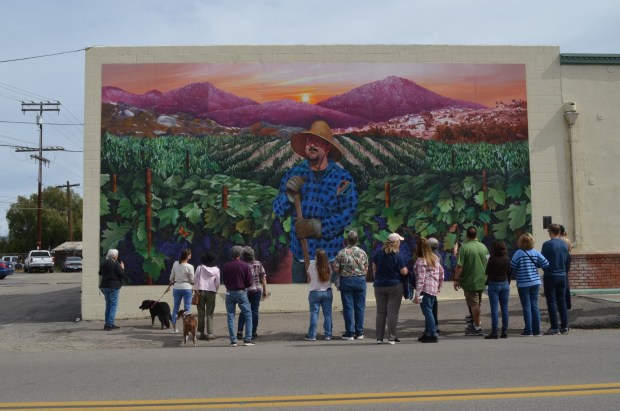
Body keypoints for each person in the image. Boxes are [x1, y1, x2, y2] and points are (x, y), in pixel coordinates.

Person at [273, 120, 358, 283]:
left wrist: (318, 227)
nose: (312, 144)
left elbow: (348, 213)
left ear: (327, 147)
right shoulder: (293, 174)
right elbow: (278, 209)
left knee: (328, 301)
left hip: (329, 257)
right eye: (309, 140)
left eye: (318, 141)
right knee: (302, 304)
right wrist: (289, 197)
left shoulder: (342, 179)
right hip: (300, 258)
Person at [372, 232, 408, 344]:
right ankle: (392, 337)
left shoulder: (378, 254)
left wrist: (378, 279)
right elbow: (404, 271)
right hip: (394, 285)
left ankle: (379, 337)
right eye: (399, 242)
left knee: (380, 312)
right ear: (396, 243)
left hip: (379, 285)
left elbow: (374, 269)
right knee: (392, 312)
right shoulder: (398, 256)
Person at [511, 233, 549, 337]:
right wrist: (537, 264)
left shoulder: (518, 253)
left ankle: (528, 330)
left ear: (521, 242)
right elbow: (546, 263)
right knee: (534, 306)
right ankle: (537, 330)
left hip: (523, 283)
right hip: (535, 282)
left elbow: (512, 265)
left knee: (526, 306)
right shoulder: (535, 252)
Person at [332, 230, 369, 340]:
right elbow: (366, 268)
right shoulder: (363, 252)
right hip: (360, 280)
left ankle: (350, 332)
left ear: (347, 240)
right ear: (357, 240)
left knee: (348, 307)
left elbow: (336, 268)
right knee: (360, 307)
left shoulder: (341, 252)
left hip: (346, 281)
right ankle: (360, 332)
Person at [453, 226, 488, 336]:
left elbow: (459, 266)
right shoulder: (483, 247)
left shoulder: (465, 248)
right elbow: (488, 262)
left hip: (469, 280)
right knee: (478, 303)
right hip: (482, 279)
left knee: (474, 304)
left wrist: (456, 279)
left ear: (467, 235)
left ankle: (477, 327)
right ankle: (476, 323)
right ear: (476, 234)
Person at [221, 245, 254, 347]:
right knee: (248, 314)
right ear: (240, 254)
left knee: (230, 316)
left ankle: (233, 341)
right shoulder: (245, 266)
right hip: (241, 292)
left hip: (229, 292)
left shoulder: (226, 266)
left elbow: (224, 280)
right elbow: (249, 282)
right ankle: (247, 339)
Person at [541, 224, 571, 335]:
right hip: (562, 275)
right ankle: (565, 326)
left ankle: (554, 327)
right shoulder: (564, 244)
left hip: (550, 275)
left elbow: (542, 260)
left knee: (551, 301)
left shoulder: (547, 244)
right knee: (562, 301)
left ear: (550, 232)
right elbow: (567, 259)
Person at [413, 237, 444, 343]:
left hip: (425, 289)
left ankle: (433, 333)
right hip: (433, 288)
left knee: (427, 311)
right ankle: (427, 333)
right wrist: (440, 285)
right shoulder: (435, 257)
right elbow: (441, 272)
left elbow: (421, 278)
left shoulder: (421, 260)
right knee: (429, 310)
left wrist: (417, 293)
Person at [237, 246, 267, 340]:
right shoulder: (258, 264)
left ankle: (240, 331)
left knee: (243, 311)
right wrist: (265, 290)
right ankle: (253, 332)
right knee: (254, 311)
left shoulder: (241, 265)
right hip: (256, 290)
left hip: (245, 291)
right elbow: (263, 278)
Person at [305, 249, 333, 341]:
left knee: (314, 314)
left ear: (316, 257)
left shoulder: (312, 266)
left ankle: (312, 335)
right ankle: (328, 335)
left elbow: (309, 279)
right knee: (327, 314)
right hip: (327, 292)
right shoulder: (328, 266)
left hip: (315, 292)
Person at [484, 241, 511, 339]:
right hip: (504, 283)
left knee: (494, 309)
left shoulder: (492, 259)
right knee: (504, 308)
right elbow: (509, 272)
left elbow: (487, 271)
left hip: (494, 284)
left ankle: (494, 332)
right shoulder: (507, 258)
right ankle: (504, 331)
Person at [193, 251, 220, 340]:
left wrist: (195, 290)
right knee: (210, 313)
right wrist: (216, 290)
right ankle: (210, 333)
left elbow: (195, 279)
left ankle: (201, 333)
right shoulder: (216, 270)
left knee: (201, 313)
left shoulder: (200, 268)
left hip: (200, 291)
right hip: (211, 292)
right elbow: (217, 282)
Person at [99, 248, 125, 331]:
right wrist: (122, 268)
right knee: (113, 306)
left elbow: (100, 273)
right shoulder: (116, 264)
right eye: (116, 255)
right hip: (114, 287)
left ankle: (107, 323)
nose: (117, 257)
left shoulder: (104, 263)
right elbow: (122, 275)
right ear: (114, 256)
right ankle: (110, 325)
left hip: (104, 287)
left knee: (108, 305)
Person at [169, 248, 195, 334]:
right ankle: (188, 329)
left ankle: (174, 328)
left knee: (175, 307)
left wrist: (171, 280)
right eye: (190, 254)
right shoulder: (190, 267)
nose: (191, 255)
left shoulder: (176, 263)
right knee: (187, 308)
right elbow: (192, 280)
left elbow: (172, 276)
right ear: (187, 256)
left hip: (176, 287)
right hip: (187, 287)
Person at [427, 237, 442, 332]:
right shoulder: (438, 255)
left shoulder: (428, 256)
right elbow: (441, 272)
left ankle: (432, 327)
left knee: (428, 308)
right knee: (433, 305)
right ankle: (435, 324)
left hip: (428, 285)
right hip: (435, 283)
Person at [559, 225, 573, 310]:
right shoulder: (567, 240)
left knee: (560, 286)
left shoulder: (559, 240)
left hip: (561, 260)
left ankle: (562, 304)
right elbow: (570, 250)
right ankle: (568, 305)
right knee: (566, 283)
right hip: (568, 259)